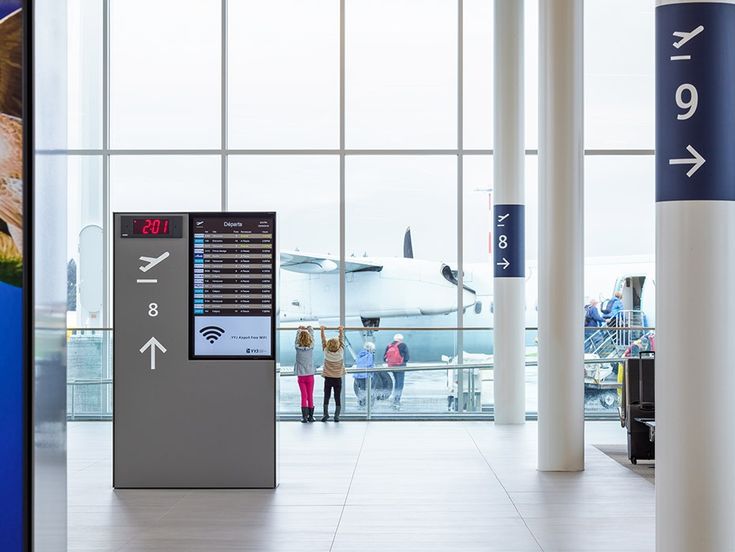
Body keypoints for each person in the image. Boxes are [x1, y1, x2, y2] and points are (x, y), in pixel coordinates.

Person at [320, 326, 345, 422]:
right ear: (338, 345)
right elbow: (341, 341)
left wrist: (322, 330)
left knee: (327, 396)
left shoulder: (326, 352)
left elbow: (323, 340)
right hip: (337, 379)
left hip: (328, 379)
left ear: (328, 345)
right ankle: (337, 416)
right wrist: (341, 331)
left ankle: (325, 414)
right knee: (337, 397)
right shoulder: (341, 352)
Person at [294, 326, 315, 423]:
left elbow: (296, 339)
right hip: (310, 375)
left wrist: (299, 330)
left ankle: (304, 417)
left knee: (304, 396)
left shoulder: (297, 348)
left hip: (301, 376)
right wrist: (309, 328)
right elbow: (312, 336)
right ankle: (311, 417)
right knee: (310, 395)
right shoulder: (311, 347)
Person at [384, 334, 410, 410]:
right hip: (400, 366)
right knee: (400, 383)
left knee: (396, 382)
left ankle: (395, 397)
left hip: (392, 366)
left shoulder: (389, 345)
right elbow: (407, 357)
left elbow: (384, 357)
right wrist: (404, 362)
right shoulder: (403, 345)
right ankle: (397, 399)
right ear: (401, 339)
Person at [353, 342, 376, 407]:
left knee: (362, 389)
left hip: (358, 375)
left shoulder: (360, 354)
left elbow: (358, 363)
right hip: (366, 375)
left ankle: (361, 402)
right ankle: (369, 404)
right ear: (370, 348)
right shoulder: (370, 355)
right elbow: (369, 364)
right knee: (369, 389)